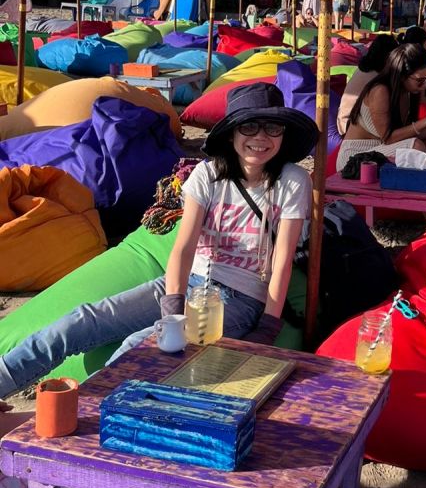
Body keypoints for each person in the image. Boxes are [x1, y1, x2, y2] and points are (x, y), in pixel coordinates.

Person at [0, 84, 318, 399]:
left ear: (283, 134)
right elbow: (184, 247)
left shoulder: (292, 180)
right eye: (249, 126)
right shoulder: (207, 175)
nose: (260, 137)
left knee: (136, 347)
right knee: (79, 321)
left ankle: (79, 413)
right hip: (186, 283)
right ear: (232, 132)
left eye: (272, 127)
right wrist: (174, 307)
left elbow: (281, 260)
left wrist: (268, 327)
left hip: (239, 299)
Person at [337, 42, 426, 172]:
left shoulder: (408, 91)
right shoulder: (380, 91)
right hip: (355, 158)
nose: (425, 86)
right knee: (416, 146)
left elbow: (410, 133)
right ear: (402, 75)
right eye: (420, 80)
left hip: (380, 149)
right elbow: (388, 138)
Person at [336, 33, 399, 136]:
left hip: (344, 122)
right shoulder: (377, 79)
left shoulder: (364, 69)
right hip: (350, 127)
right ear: (389, 57)